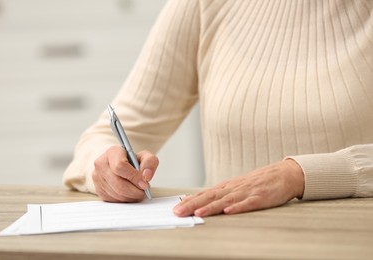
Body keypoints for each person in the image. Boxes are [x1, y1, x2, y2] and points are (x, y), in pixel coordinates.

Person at [63, 0, 373, 217]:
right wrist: (105, 170)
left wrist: (298, 176)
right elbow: (104, 134)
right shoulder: (203, 3)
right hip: (227, 246)